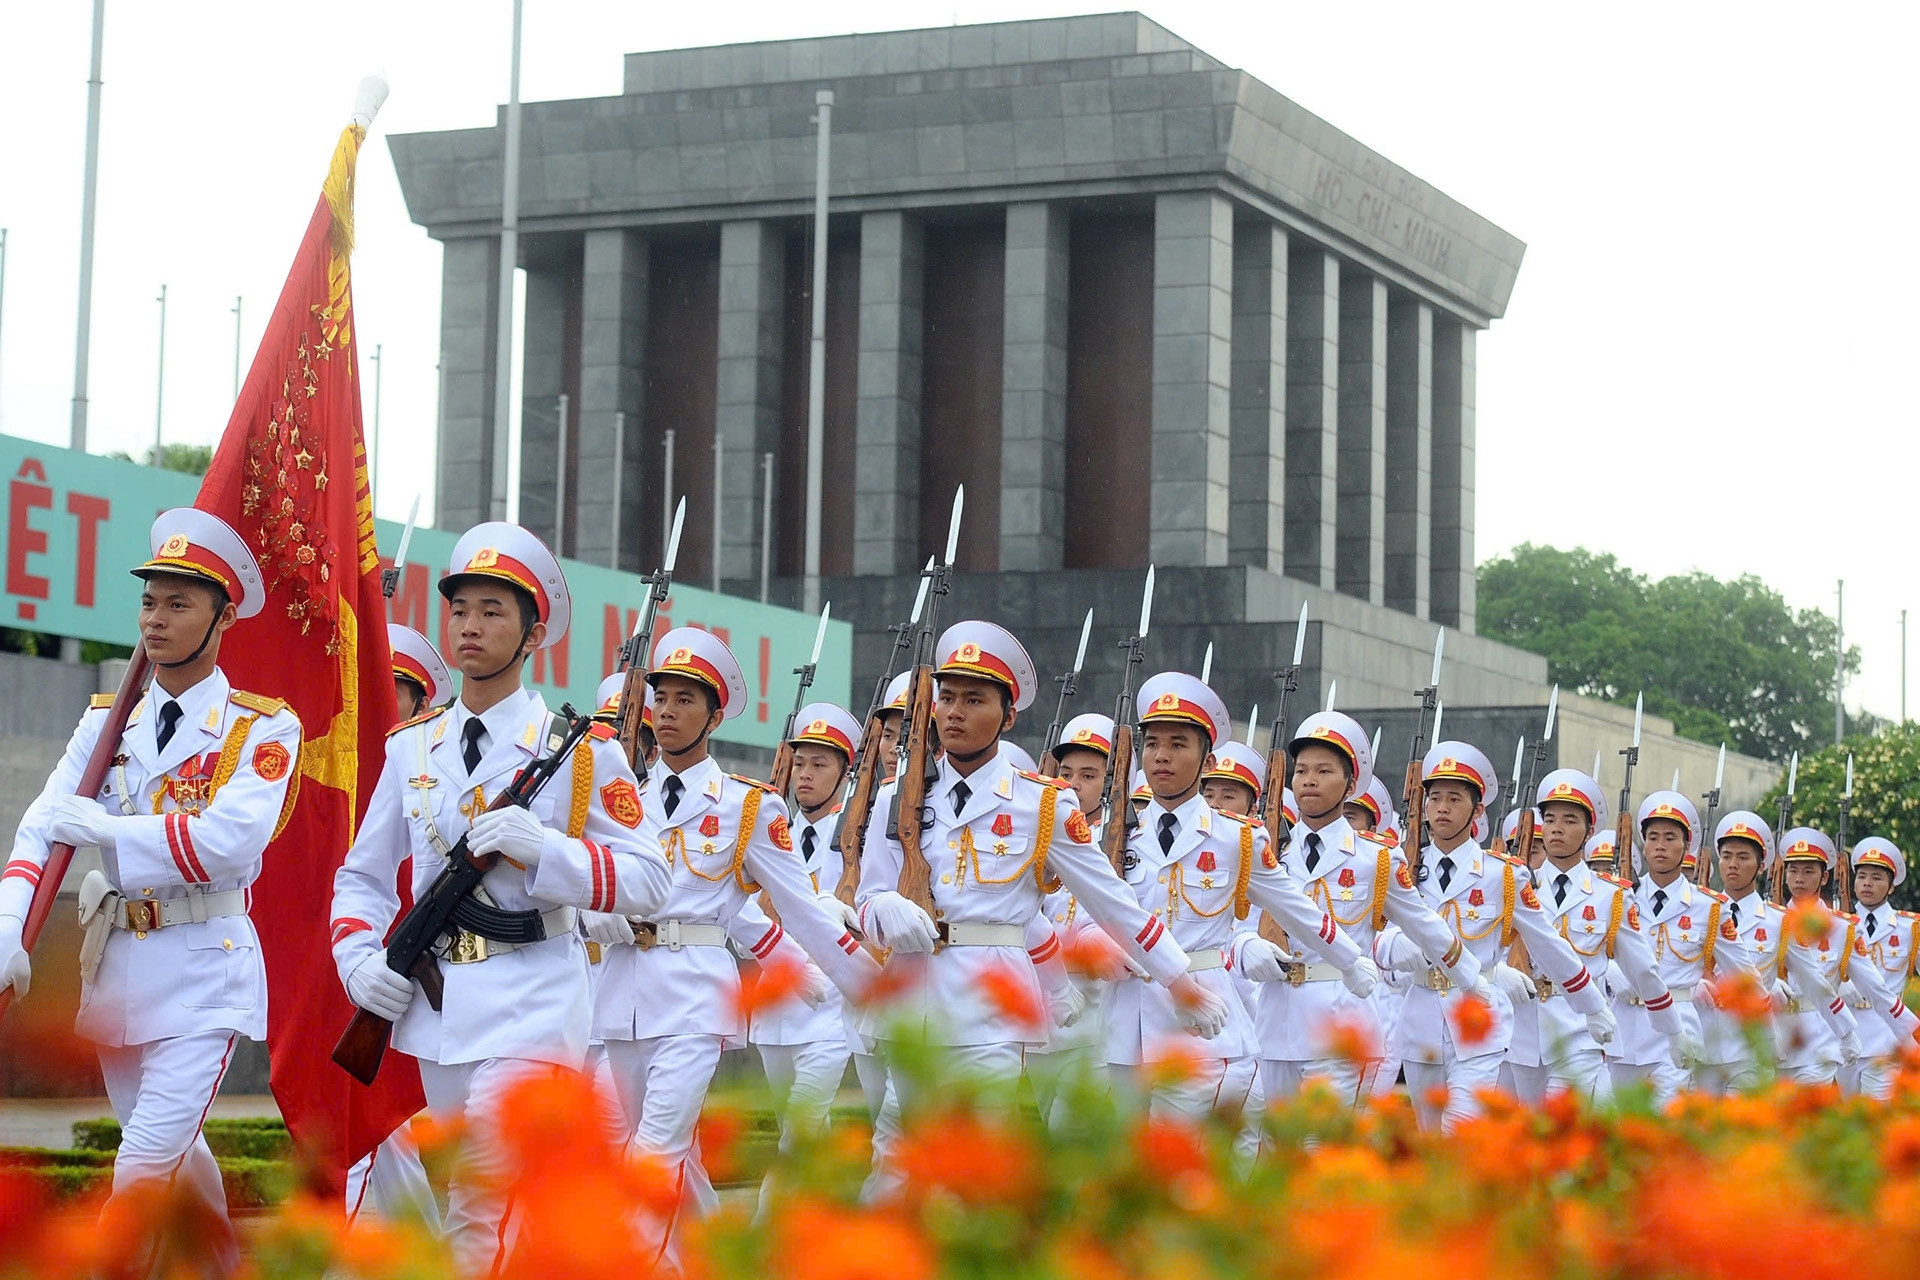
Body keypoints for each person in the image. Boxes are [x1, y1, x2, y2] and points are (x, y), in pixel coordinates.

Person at [330, 522, 671, 1273]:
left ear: (532, 632)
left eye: (493, 610)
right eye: (460, 610)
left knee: (479, 1205)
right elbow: (359, 876)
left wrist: (546, 850)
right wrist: (359, 963)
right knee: (493, 1207)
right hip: (439, 1009)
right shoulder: (410, 747)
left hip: (536, 1004)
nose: (471, 626)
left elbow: (652, 880)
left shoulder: (582, 752)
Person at [0, 509, 299, 1272]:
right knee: (178, 1166)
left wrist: (106, 827)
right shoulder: (108, 723)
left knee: (138, 1176)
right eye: (149, 602)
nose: (155, 620)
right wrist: (9, 925)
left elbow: (229, 840)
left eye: (178, 603)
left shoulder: (260, 730)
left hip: (206, 972)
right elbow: (42, 827)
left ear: (223, 617)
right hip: (121, 972)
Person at [854, 621, 1230, 1199]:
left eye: (973, 700)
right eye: (947, 698)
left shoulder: (1042, 803)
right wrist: (885, 912)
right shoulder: (895, 796)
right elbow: (869, 894)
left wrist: (1180, 981)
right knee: (896, 1167)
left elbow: (1114, 903)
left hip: (991, 1008)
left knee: (972, 1172)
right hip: (912, 1002)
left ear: (1008, 717)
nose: (953, 712)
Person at [588, 628, 877, 1253]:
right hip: (621, 996)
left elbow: (802, 911)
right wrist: (594, 916)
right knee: (656, 1159)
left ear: (714, 715)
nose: (667, 711)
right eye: (660, 698)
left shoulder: (749, 808)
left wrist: (873, 988)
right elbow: (576, 889)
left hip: (694, 1000)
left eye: (685, 700)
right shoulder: (619, 802)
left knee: (654, 1157)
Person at [1113, 677, 1380, 1120]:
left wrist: (1350, 959)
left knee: (1180, 1167)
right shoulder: (1121, 837)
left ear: (1208, 760)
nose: (1161, 755)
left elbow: (1294, 906)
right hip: (1124, 1027)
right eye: (1152, 743)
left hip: (1200, 1024)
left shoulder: (1234, 838)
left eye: (1178, 744)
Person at [1246, 716, 1486, 1125]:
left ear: (1351, 786)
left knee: (1323, 1147)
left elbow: (1420, 920)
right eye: (1301, 771)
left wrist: (1470, 976)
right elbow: (1235, 926)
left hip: (1344, 1022)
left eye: (1324, 771)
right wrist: (1244, 947)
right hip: (1277, 1021)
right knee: (1280, 1152)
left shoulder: (1373, 858)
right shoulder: (1266, 849)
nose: (1309, 780)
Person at [1390, 742, 1610, 1132]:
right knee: (1429, 1144)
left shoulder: (1502, 876)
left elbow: (1547, 941)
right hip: (1421, 1021)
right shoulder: (1400, 865)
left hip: (1479, 1021)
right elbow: (1370, 939)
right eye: (1434, 797)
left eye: (1454, 799)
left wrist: (1591, 1004)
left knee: (1461, 1135)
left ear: (1477, 810)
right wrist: (1394, 947)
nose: (1441, 807)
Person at [338, 626, 455, 1230]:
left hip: (420, 975)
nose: (379, 706)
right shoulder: (334, 768)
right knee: (376, 1132)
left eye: (395, 693)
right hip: (350, 962)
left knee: (388, 1127)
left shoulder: (432, 773)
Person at [748, 701, 867, 1212]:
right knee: (805, 1135)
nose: (806, 775)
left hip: (832, 1010)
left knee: (796, 1134)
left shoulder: (858, 839)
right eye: (800, 763)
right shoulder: (775, 832)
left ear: (845, 772)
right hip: (779, 1008)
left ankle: (761, 1240)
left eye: (820, 764)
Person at [1501, 769, 1661, 1106]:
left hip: (1580, 1028)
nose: (1557, 827)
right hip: (1525, 1028)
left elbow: (1641, 963)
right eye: (1550, 819)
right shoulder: (1513, 884)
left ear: (1589, 830)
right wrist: (1498, 973)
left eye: (1570, 820)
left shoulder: (1609, 895)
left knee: (1565, 1124)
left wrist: (1671, 1026)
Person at [1608, 792, 1753, 1105]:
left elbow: (1744, 973)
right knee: (1619, 1127)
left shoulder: (1708, 907)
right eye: (1653, 837)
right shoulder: (1619, 898)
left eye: (1670, 838)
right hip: (1623, 1025)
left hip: (1675, 1029)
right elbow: (1587, 952)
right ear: (1643, 845)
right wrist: (1609, 970)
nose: (1660, 846)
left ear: (1686, 846)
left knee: (1663, 1124)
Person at [1026, 712, 1118, 1131]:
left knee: (1068, 1137)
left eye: (1089, 774)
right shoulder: (1035, 833)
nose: (1075, 784)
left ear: (1111, 782)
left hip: (1096, 1023)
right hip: (1041, 1018)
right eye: (1066, 773)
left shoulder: (1122, 841)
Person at [1846, 837, 1919, 1099]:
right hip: (1845, 1035)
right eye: (1862, 876)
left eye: (1876, 878)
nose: (1867, 883)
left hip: (1887, 1038)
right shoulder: (1837, 922)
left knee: (1877, 1119)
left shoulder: (1910, 928)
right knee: (1848, 1121)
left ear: (1890, 887)